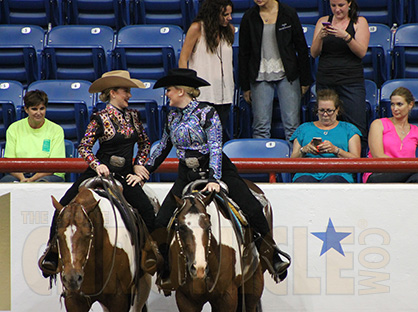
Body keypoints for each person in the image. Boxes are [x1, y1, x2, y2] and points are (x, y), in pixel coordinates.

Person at [142, 68, 290, 285]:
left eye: (170, 90)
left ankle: (271, 255)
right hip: (187, 174)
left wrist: (214, 178)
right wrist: (146, 169)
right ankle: (166, 270)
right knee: (161, 221)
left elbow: (214, 146)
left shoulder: (207, 113)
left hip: (217, 168)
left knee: (252, 208)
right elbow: (163, 146)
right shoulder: (171, 116)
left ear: (182, 91)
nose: (168, 94)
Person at [38, 70, 158, 277]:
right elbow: (84, 146)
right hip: (100, 170)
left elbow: (145, 143)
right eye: (125, 91)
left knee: (147, 209)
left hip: (125, 174)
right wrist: (96, 165)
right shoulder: (99, 118)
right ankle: (51, 252)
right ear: (113, 92)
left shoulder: (134, 116)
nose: (129, 96)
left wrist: (139, 164)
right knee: (63, 206)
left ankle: (150, 252)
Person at [238, 0, 311, 141]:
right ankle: (262, 162)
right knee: (260, 127)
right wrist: (245, 86)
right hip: (259, 75)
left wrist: (305, 79)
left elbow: (301, 47)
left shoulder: (288, 13)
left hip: (288, 74)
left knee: (292, 126)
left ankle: (295, 162)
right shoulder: (249, 17)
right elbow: (244, 53)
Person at [311, 0, 370, 149]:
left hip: (351, 81)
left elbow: (361, 52)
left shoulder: (359, 22)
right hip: (326, 79)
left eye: (341, 5)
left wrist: (346, 36)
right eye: (333, 6)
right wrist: (320, 36)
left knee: (356, 127)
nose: (337, 10)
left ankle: (357, 167)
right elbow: (314, 53)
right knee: (325, 123)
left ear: (349, 4)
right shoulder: (323, 21)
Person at [178, 0, 235, 140]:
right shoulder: (197, 28)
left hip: (224, 94)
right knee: (201, 138)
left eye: (230, 14)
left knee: (219, 138)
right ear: (214, 13)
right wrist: (186, 87)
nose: (230, 18)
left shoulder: (230, 30)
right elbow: (182, 59)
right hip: (202, 94)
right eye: (225, 14)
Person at [290, 89, 361, 183]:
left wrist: (336, 150)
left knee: (332, 182)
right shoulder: (303, 129)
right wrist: (304, 150)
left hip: (338, 173)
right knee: (304, 182)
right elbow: (292, 161)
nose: (325, 114)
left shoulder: (349, 129)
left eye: (329, 111)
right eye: (321, 110)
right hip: (307, 173)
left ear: (337, 110)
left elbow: (357, 161)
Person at [0, 90, 65, 183]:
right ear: (26, 109)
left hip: (49, 175)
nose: (38, 113)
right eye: (34, 109)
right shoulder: (14, 128)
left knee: (42, 183)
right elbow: (9, 163)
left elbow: (54, 166)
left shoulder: (56, 130)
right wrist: (23, 178)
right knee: (4, 183)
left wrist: (32, 180)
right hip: (20, 174)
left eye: (42, 108)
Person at [363, 87, 418, 183]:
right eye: (392, 104)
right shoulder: (378, 124)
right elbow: (378, 156)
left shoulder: (415, 131)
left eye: (399, 104)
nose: (395, 108)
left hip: (407, 176)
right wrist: (406, 166)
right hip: (379, 173)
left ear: (410, 105)